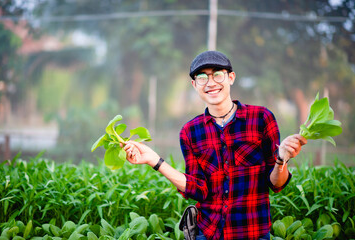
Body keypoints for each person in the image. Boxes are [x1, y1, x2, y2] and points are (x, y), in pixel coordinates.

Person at [123, 50, 307, 240]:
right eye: (202, 77)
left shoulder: (261, 118)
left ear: (231, 77)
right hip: (208, 233)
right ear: (194, 85)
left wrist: (281, 159)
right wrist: (154, 160)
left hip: (252, 232)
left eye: (217, 74)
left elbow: (276, 184)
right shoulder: (190, 131)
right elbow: (198, 189)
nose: (211, 83)